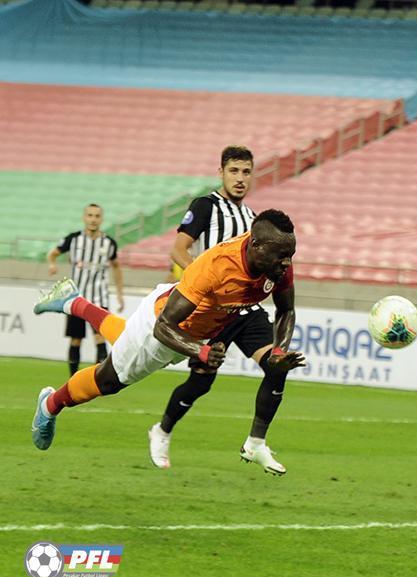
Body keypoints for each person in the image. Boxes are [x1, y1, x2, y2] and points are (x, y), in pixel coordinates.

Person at [31, 210, 306, 477]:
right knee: (110, 380)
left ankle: (73, 302)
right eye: (282, 256)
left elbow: (286, 310)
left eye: (290, 255)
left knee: (125, 340)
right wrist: (201, 351)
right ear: (256, 245)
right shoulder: (216, 266)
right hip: (161, 326)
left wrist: (278, 352)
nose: (287, 263)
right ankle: (50, 404)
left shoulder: (276, 259)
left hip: (190, 330)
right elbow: (163, 326)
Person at [150, 145, 281, 473]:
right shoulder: (206, 206)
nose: (240, 178)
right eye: (234, 171)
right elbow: (179, 250)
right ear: (221, 173)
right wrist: (204, 283)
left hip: (245, 310)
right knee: (201, 383)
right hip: (212, 312)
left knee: (276, 364)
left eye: (246, 172)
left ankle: (256, 443)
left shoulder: (254, 220)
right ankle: (162, 430)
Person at [47, 203, 125, 375]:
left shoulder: (109, 243)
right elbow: (52, 253)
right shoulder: (73, 239)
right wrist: (52, 264)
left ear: (102, 219)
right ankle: (73, 379)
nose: (93, 219)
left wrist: (120, 294)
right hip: (76, 299)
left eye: (97, 216)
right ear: (84, 217)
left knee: (100, 337)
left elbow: (116, 267)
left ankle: (99, 380)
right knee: (76, 339)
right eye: (90, 215)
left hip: (99, 298)